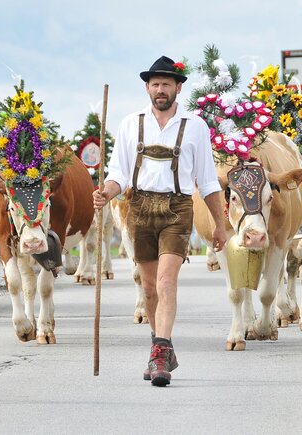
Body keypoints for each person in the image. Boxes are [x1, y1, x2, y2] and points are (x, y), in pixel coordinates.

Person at [93, 55, 227, 387]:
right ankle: (161, 346)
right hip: (138, 208)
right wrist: (106, 194)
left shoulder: (195, 126)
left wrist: (220, 224)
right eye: (155, 84)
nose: (160, 89)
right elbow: (118, 176)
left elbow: (207, 182)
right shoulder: (130, 124)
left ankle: (159, 352)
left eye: (167, 83)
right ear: (147, 88)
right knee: (149, 287)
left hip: (177, 209)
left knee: (167, 283)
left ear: (178, 87)